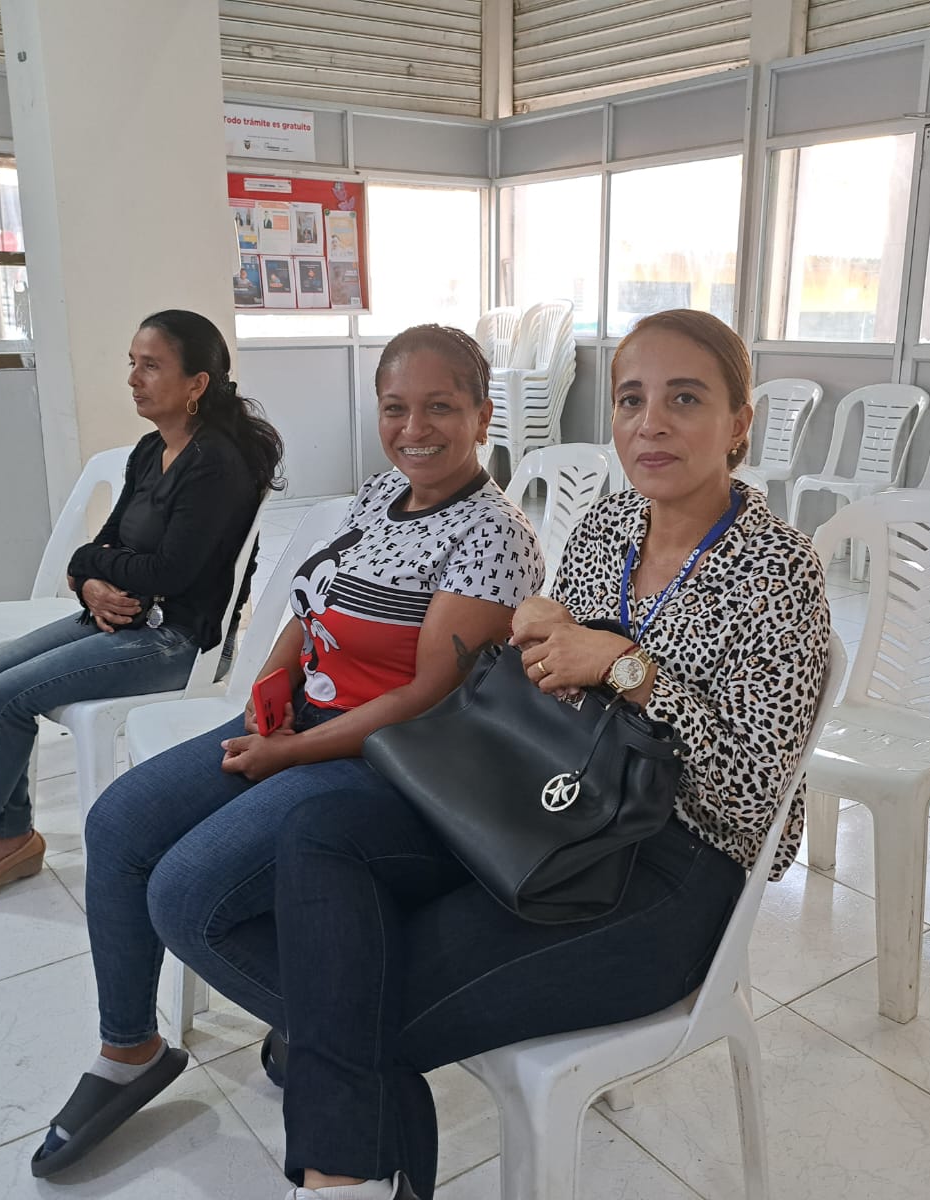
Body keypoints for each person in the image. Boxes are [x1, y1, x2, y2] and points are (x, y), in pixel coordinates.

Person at [29, 324, 544, 1180]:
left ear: (484, 414)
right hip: (302, 723)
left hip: (386, 761)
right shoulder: (383, 494)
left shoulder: (494, 536)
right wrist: (269, 690)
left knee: (184, 894)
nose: (414, 428)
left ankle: (342, 1031)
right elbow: (313, 608)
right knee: (119, 824)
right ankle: (130, 1050)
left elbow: (427, 697)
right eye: (395, 408)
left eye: (441, 408)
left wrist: (292, 754)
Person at [0, 310, 284, 905]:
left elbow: (169, 572)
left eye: (151, 366)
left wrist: (89, 565)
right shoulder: (150, 450)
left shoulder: (216, 464)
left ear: (196, 383)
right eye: (132, 363)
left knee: (7, 695)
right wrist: (89, 581)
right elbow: (110, 542)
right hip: (121, 618)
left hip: (176, 641)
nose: (133, 378)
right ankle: (11, 837)